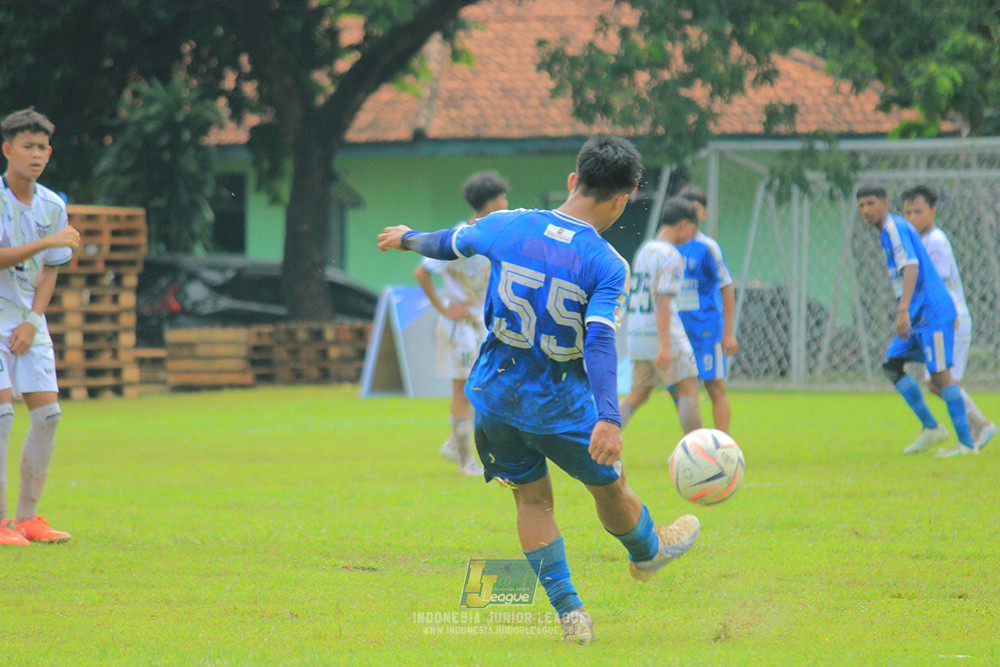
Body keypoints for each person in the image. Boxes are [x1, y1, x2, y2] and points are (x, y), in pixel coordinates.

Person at [378, 134, 699, 643]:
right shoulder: (608, 263)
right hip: (559, 404)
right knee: (609, 485)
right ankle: (646, 550)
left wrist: (407, 236)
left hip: (496, 396)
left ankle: (571, 615)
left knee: (532, 502)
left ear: (574, 181)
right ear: (623, 198)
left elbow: (448, 243)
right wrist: (609, 417)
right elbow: (597, 340)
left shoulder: (509, 223)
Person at [0, 108, 81, 547]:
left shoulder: (53, 205)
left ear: (49, 153)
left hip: (29, 321)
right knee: (1, 417)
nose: (35, 155)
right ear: (7, 149)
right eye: (26, 147)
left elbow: (51, 271)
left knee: (48, 414)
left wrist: (32, 320)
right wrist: (50, 240)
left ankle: (28, 519)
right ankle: (0, 524)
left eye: (41, 148)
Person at [857, 183, 977, 457]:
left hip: (931, 312)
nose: (866, 210)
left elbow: (911, 266)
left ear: (885, 203)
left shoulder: (893, 227)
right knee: (892, 365)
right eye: (861, 205)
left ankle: (967, 445)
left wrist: (903, 310)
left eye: (871, 203)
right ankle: (932, 427)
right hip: (919, 313)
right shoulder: (889, 231)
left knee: (940, 375)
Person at [414, 171, 508, 476]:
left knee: (486, 388)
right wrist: (443, 308)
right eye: (503, 198)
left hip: (483, 323)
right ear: (492, 203)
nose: (506, 203)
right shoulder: (458, 237)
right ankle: (466, 460)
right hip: (462, 326)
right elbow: (422, 272)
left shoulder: (495, 235)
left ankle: (457, 444)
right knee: (464, 390)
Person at [901, 185, 997, 449]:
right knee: (936, 382)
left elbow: (938, 285)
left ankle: (975, 432)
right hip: (938, 321)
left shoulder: (935, 241)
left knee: (940, 380)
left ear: (933, 210)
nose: (912, 217)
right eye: (907, 212)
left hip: (949, 320)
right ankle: (980, 427)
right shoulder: (921, 242)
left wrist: (944, 315)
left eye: (918, 211)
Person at [619, 196, 702, 434]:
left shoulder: (645, 249)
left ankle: (599, 437)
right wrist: (666, 344)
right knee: (688, 390)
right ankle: (698, 455)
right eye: (694, 230)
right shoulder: (671, 256)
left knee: (637, 395)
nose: (693, 236)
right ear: (684, 225)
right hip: (662, 334)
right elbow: (663, 299)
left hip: (638, 333)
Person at [673, 185, 738, 434]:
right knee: (681, 390)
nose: (689, 215)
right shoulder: (668, 246)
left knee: (714, 387)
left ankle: (723, 445)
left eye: (695, 210)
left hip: (706, 329)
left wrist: (728, 332)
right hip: (677, 329)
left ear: (704, 214)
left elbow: (726, 286)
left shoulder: (708, 247)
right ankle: (692, 445)